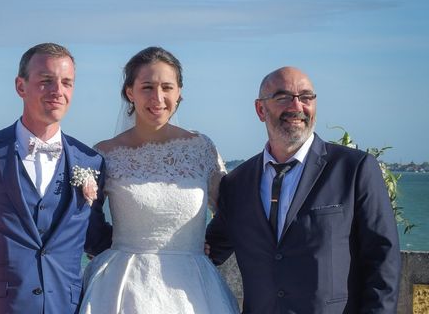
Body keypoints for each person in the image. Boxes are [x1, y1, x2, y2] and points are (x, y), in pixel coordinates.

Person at [206, 66, 401, 313]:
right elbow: (207, 250)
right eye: (283, 97)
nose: (297, 107)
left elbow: (383, 260)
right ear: (260, 109)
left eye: (306, 97)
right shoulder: (236, 183)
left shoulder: (354, 169)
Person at [0, 42, 112, 314]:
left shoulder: (91, 161)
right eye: (46, 81)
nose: (57, 91)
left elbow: (94, 236)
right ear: (20, 86)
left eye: (66, 82)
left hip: (68, 306)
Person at [80, 46, 239, 314]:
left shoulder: (201, 148)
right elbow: (87, 219)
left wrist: (208, 243)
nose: (158, 97)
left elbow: (229, 212)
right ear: (130, 92)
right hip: (124, 285)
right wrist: (110, 246)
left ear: (179, 93)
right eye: (147, 87)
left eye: (167, 87)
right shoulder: (106, 153)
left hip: (194, 287)